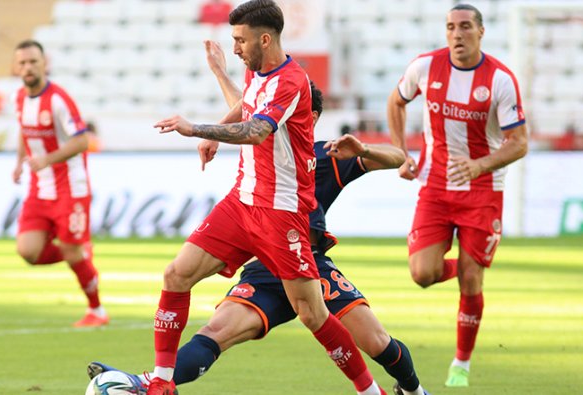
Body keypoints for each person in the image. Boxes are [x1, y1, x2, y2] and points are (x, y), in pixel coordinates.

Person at [88, 39, 430, 395]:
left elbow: (398, 158)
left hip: (306, 261)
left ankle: (412, 390)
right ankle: (149, 384)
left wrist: (365, 149)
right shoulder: (263, 132)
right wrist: (219, 73)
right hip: (264, 265)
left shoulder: (327, 154)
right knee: (215, 332)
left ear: (308, 117)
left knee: (375, 340)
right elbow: (247, 107)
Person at [144, 1, 384, 394]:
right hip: (242, 202)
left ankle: (369, 391)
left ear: (265, 39)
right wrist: (214, 133)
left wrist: (194, 129)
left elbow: (256, 130)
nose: (236, 46)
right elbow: (246, 104)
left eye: (240, 40)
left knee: (312, 314)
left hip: (281, 212)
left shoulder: (292, 81)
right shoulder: (256, 69)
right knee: (176, 274)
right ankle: (161, 382)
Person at [387, 4, 528, 388]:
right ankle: (470, 264)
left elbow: (519, 144)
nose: (457, 34)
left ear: (480, 32)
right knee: (423, 273)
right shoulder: (425, 67)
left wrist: (481, 165)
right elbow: (396, 101)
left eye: (465, 27)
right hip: (435, 187)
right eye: (451, 27)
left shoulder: (500, 79)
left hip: (483, 190)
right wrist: (402, 152)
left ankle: (460, 365)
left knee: (470, 280)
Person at [11, 39, 108, 328]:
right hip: (39, 189)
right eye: (23, 63)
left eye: (33, 62)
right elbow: (24, 132)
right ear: (17, 67)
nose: (28, 67)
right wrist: (19, 162)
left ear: (44, 63)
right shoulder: (19, 98)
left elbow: (82, 140)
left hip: (71, 188)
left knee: (70, 251)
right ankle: (79, 254)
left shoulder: (58, 100)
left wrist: (49, 159)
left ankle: (97, 311)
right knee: (28, 251)